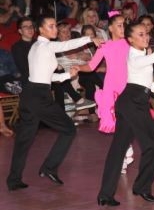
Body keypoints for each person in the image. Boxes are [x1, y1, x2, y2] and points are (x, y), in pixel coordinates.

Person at [96, 22, 154, 206]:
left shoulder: (140, 55)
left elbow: (139, 78)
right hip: (132, 103)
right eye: (140, 34)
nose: (146, 37)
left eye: (146, 33)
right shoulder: (134, 56)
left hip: (133, 101)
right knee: (153, 144)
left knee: (119, 148)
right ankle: (141, 187)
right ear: (130, 39)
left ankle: (105, 194)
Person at [6, 15, 103, 191]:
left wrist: (67, 75)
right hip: (39, 97)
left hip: (30, 95)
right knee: (69, 129)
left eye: (54, 26)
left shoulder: (36, 47)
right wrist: (89, 39)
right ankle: (49, 168)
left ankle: (13, 179)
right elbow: (65, 45)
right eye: (50, 26)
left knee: (24, 140)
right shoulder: (46, 46)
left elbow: (45, 77)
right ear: (41, 30)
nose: (55, 29)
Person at [77, 12, 136, 173]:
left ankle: (127, 147)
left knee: (131, 121)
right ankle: (124, 154)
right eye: (119, 25)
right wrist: (78, 67)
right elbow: (91, 66)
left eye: (124, 25)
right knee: (118, 123)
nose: (123, 28)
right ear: (110, 28)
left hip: (127, 86)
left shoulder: (130, 43)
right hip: (112, 88)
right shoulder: (105, 46)